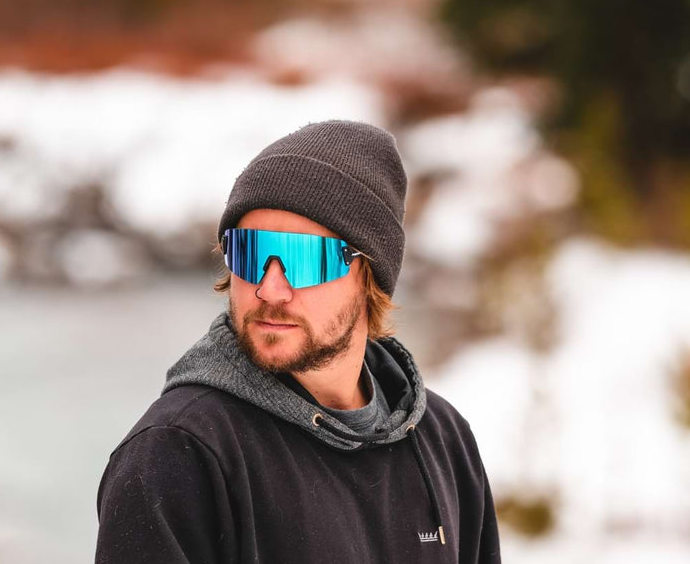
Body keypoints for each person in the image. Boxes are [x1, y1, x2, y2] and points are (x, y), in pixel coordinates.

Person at [95, 120, 501, 563]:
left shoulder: (442, 438)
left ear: (369, 275)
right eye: (248, 254)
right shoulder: (176, 456)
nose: (270, 289)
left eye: (304, 259)